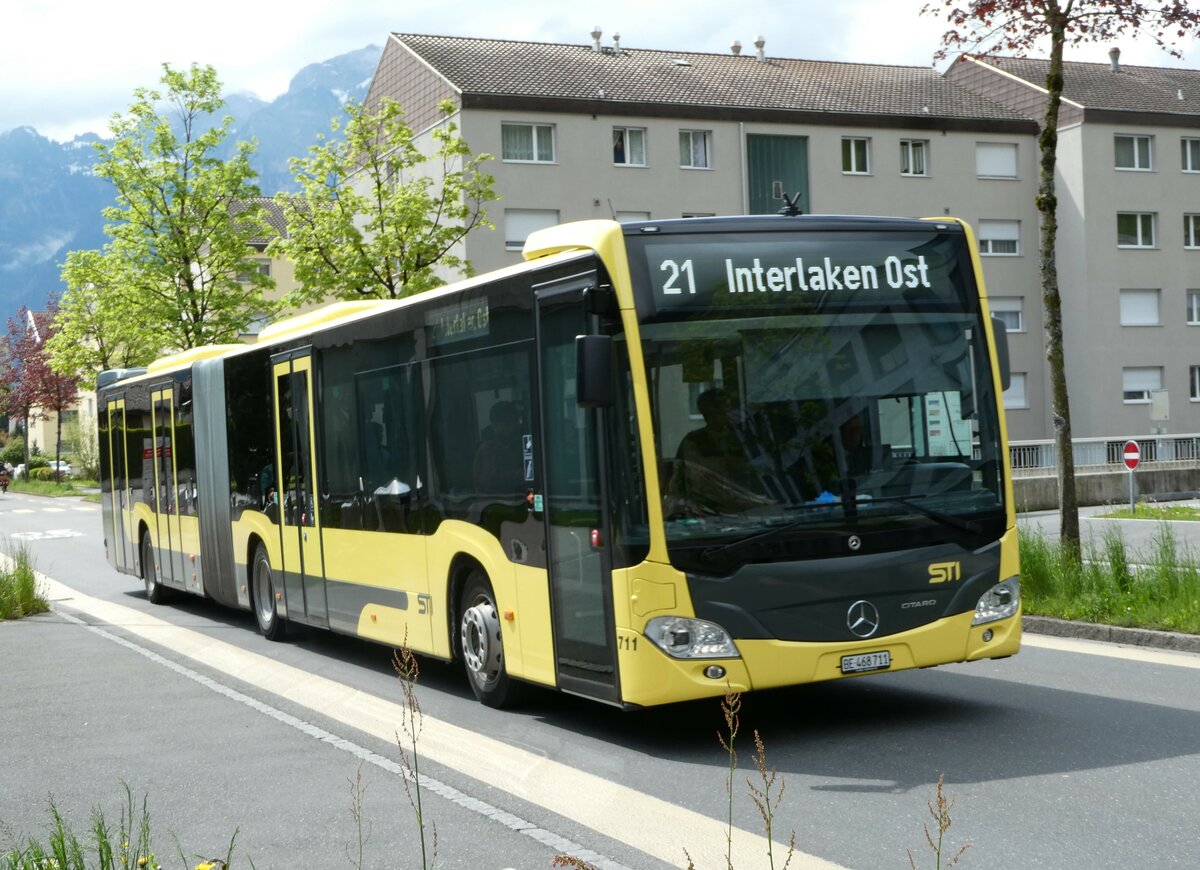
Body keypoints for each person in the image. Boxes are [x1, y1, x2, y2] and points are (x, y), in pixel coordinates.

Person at [670, 389, 768, 514]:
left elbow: (759, 470)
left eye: (730, 408)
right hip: (707, 511)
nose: (730, 413)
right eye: (725, 409)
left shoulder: (742, 437)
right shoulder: (694, 441)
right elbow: (691, 478)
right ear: (709, 413)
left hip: (750, 510)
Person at [473, 400, 525, 493]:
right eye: (508, 423)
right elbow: (490, 479)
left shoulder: (509, 444)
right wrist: (526, 474)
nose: (514, 427)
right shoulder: (487, 449)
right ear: (495, 425)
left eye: (516, 422)